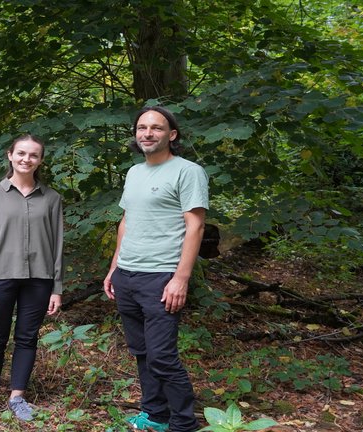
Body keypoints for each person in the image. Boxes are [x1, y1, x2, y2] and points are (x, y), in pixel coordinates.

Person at [103, 106, 208, 432]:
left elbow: (195, 226)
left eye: (156, 128)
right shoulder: (134, 172)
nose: (147, 133)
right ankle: (155, 414)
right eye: (142, 127)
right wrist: (114, 268)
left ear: (171, 135)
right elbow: (126, 221)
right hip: (127, 275)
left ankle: (184, 423)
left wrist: (181, 278)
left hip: (161, 277)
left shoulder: (187, 171)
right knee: (142, 352)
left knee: (162, 355)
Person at [0, 134, 63, 421]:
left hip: (40, 278)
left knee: (27, 337)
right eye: (21, 153)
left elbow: (58, 245)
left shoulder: (51, 198)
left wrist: (57, 288)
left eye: (33, 155)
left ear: (40, 160)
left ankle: (17, 396)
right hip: (0, 276)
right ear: (10, 155)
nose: (27, 159)